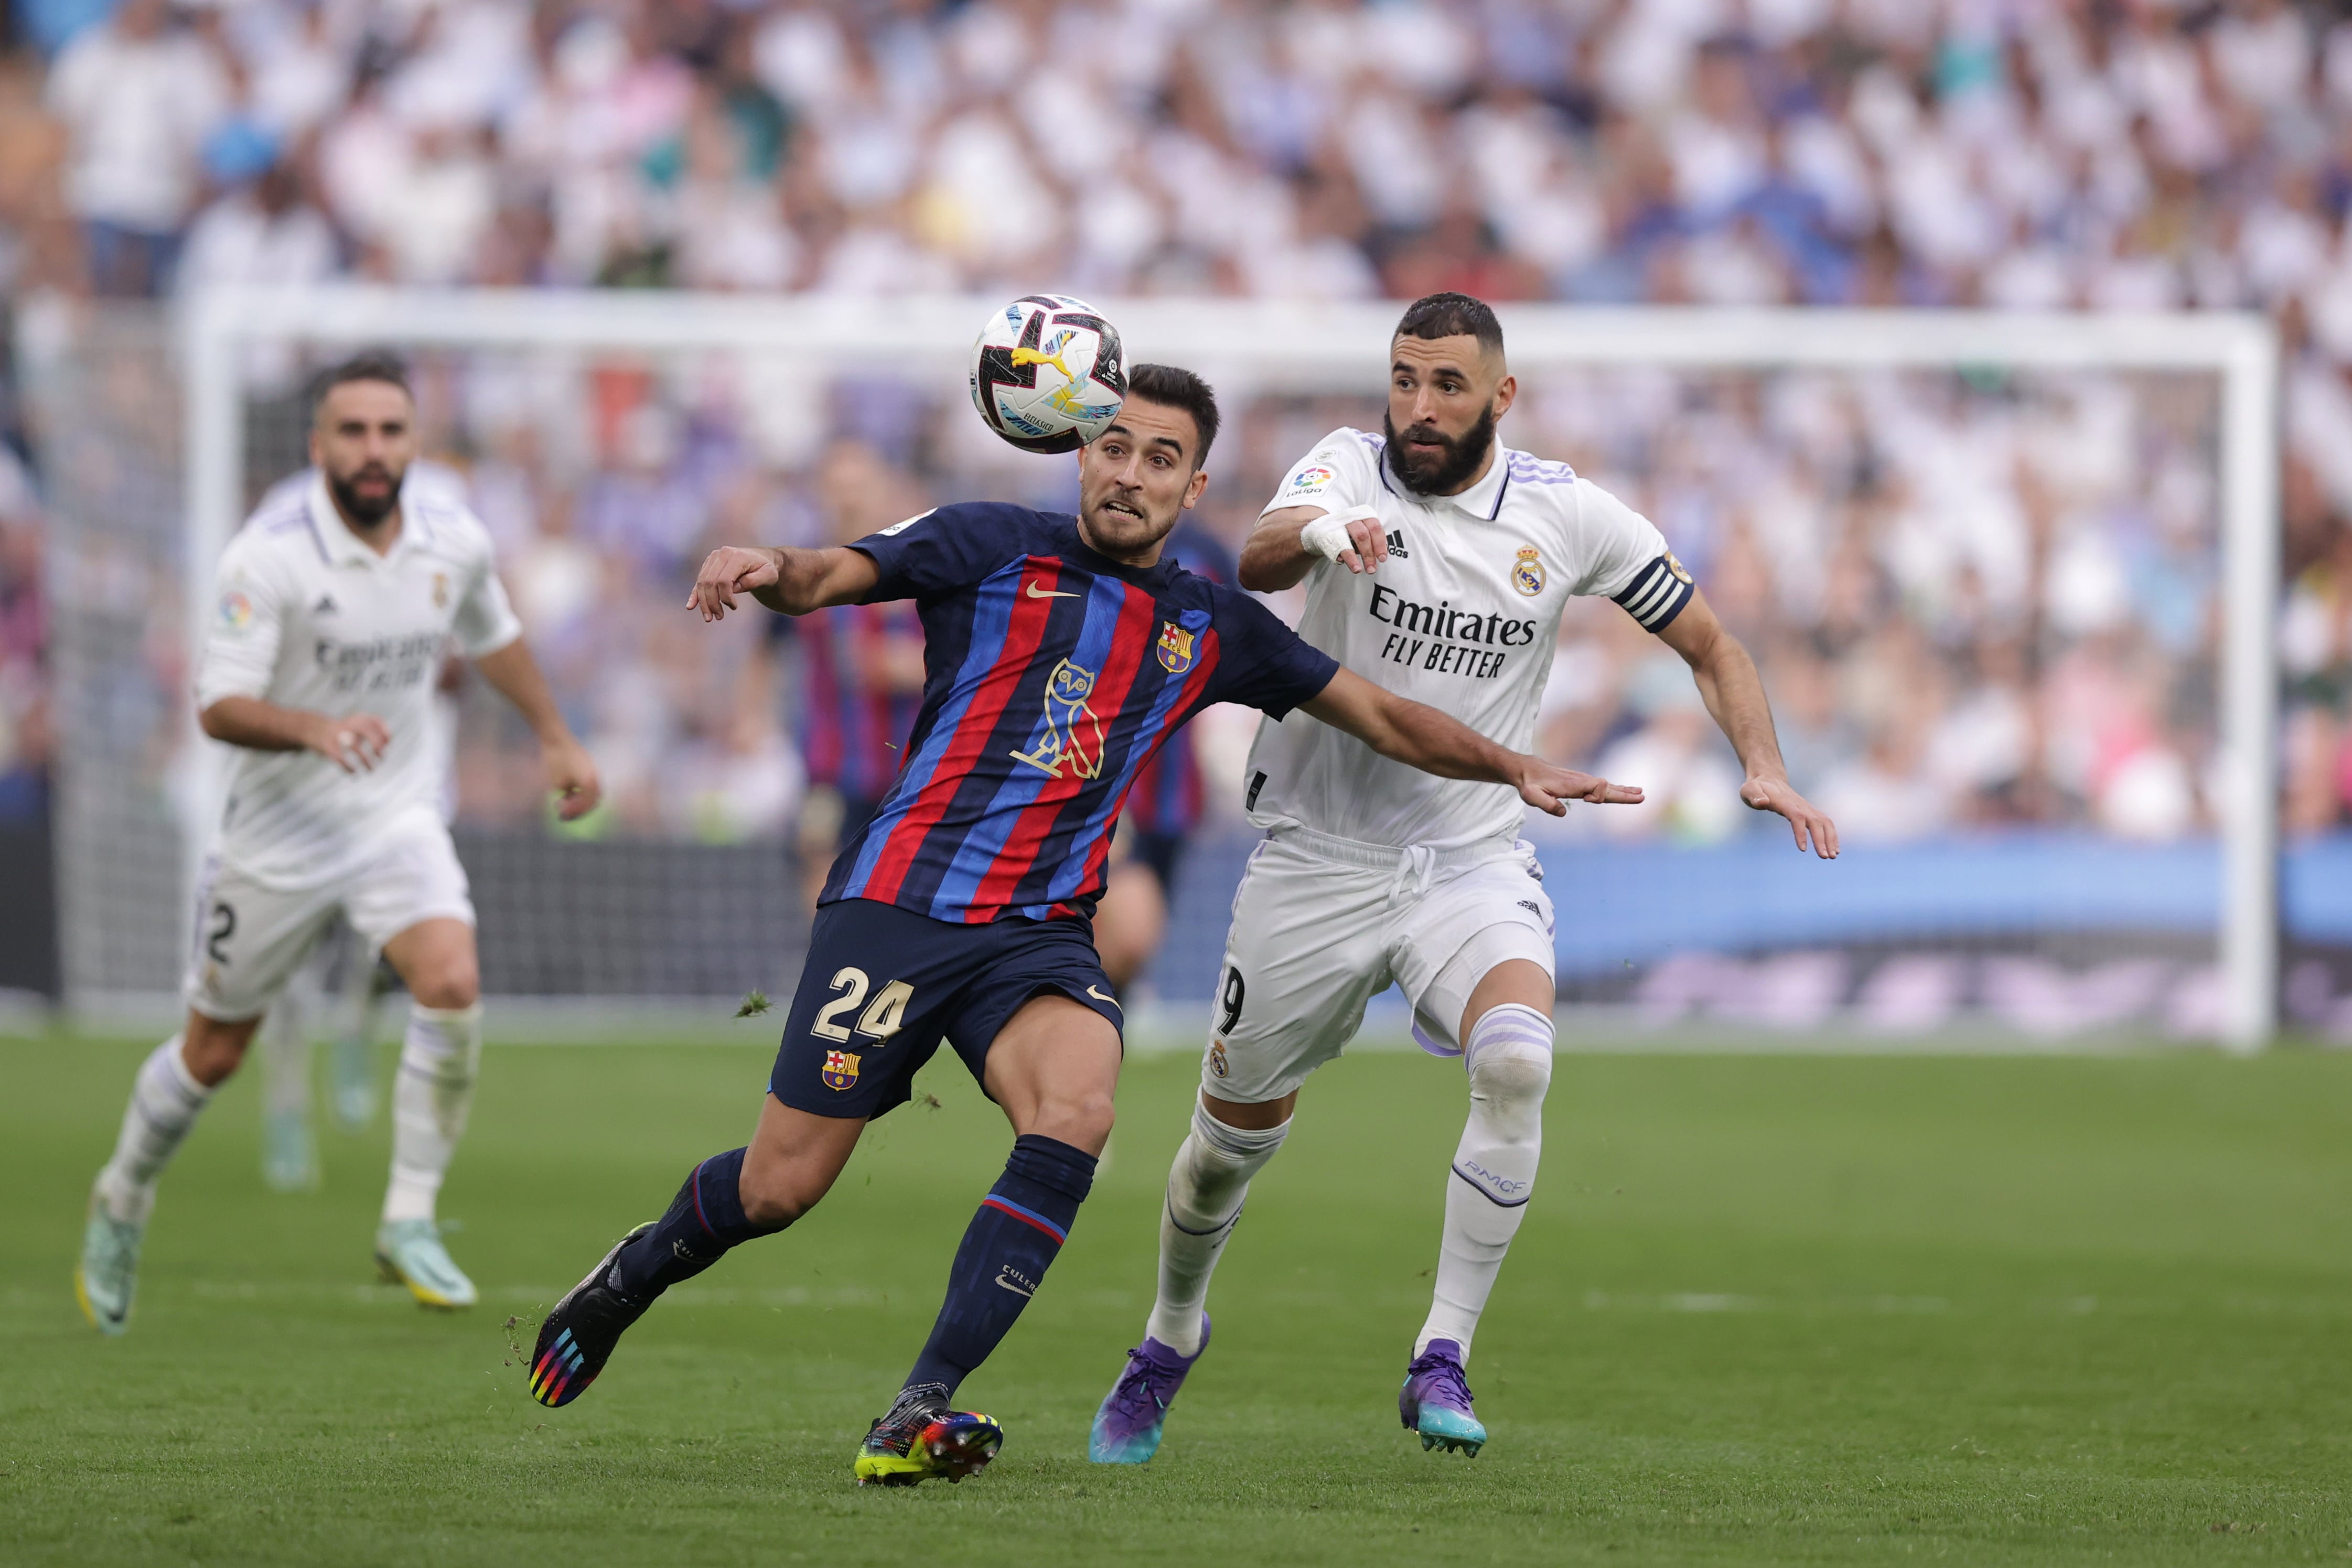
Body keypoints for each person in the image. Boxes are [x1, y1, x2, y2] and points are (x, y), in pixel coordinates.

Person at [524, 364, 1639, 1489]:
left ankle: (918, 1404)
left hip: (1039, 933)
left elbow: (1381, 715)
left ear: (1193, 485)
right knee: (779, 1189)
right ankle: (632, 1273)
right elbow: (834, 573)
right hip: (897, 911)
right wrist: (767, 566)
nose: (1131, 473)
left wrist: (1513, 766)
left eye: (1161, 459)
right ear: (1079, 453)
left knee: (1079, 1106)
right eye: (1114, 448)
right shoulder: (987, 543)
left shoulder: (1209, 623)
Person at [1089, 294, 1839, 1466]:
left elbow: (1710, 643)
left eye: (1446, 385)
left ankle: (1441, 1350)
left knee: (1516, 1058)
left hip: (1471, 859)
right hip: (1315, 860)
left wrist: (1762, 767)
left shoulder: (1566, 512)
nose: (1419, 408)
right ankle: (1168, 1336)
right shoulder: (1345, 468)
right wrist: (1331, 537)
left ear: (1501, 396)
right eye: (1403, 379)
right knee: (1223, 1148)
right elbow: (1260, 550)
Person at [74, 353, 600, 1333]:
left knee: (449, 979)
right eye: (352, 433)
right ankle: (123, 1195)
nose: (372, 451)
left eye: (390, 432)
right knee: (212, 1053)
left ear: (414, 444)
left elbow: (494, 636)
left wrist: (558, 737)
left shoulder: (452, 541)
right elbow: (216, 704)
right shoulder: (267, 556)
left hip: (393, 817)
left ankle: (408, 1217)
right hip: (277, 836)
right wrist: (315, 730)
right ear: (319, 448)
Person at [1091, 515, 1237, 993]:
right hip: (1102, 782)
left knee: (1134, 944)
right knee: (1122, 933)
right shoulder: (1085, 547)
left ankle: (1101, 1032)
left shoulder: (1205, 554)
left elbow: (1236, 643)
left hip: (1175, 791)